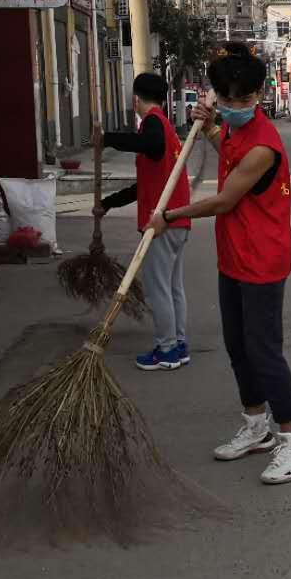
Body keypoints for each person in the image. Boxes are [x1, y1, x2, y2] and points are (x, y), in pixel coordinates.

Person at [150, 42, 291, 485]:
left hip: (262, 259)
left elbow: (224, 200)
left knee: (264, 351)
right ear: (217, 96)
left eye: (245, 99)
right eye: (228, 100)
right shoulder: (237, 130)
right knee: (237, 346)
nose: (237, 107)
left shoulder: (264, 143)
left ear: (259, 95)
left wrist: (171, 216)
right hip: (234, 256)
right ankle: (257, 425)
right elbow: (227, 147)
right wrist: (207, 129)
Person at [96, 72, 191, 372]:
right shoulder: (167, 130)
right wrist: (108, 204)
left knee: (158, 289)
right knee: (173, 287)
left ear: (135, 98)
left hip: (162, 223)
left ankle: (167, 351)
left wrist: (107, 139)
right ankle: (178, 343)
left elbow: (145, 143)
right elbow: (143, 186)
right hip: (176, 220)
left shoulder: (154, 125)